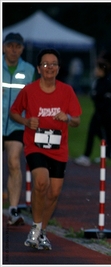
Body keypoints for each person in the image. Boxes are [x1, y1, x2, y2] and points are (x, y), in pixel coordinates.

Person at [10, 48, 82, 250]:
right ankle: (35, 226)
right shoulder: (29, 90)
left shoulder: (67, 91)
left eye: (53, 64)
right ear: (38, 68)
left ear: (58, 69)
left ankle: (42, 230)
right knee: (41, 183)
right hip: (35, 145)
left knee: (54, 192)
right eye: (45, 64)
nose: (49, 67)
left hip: (58, 148)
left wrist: (66, 118)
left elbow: (76, 120)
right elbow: (14, 112)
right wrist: (26, 121)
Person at [2, 32, 35, 226]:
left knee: (14, 162)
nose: (13, 50)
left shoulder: (29, 70)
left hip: (17, 123)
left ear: (22, 49)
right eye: (10, 45)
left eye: (17, 46)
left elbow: (33, 97)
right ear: (4, 47)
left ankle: (13, 209)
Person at [74, 51, 111, 166]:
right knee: (103, 131)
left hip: (108, 109)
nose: (96, 70)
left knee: (103, 131)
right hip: (101, 109)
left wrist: (107, 97)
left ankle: (110, 153)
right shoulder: (101, 79)